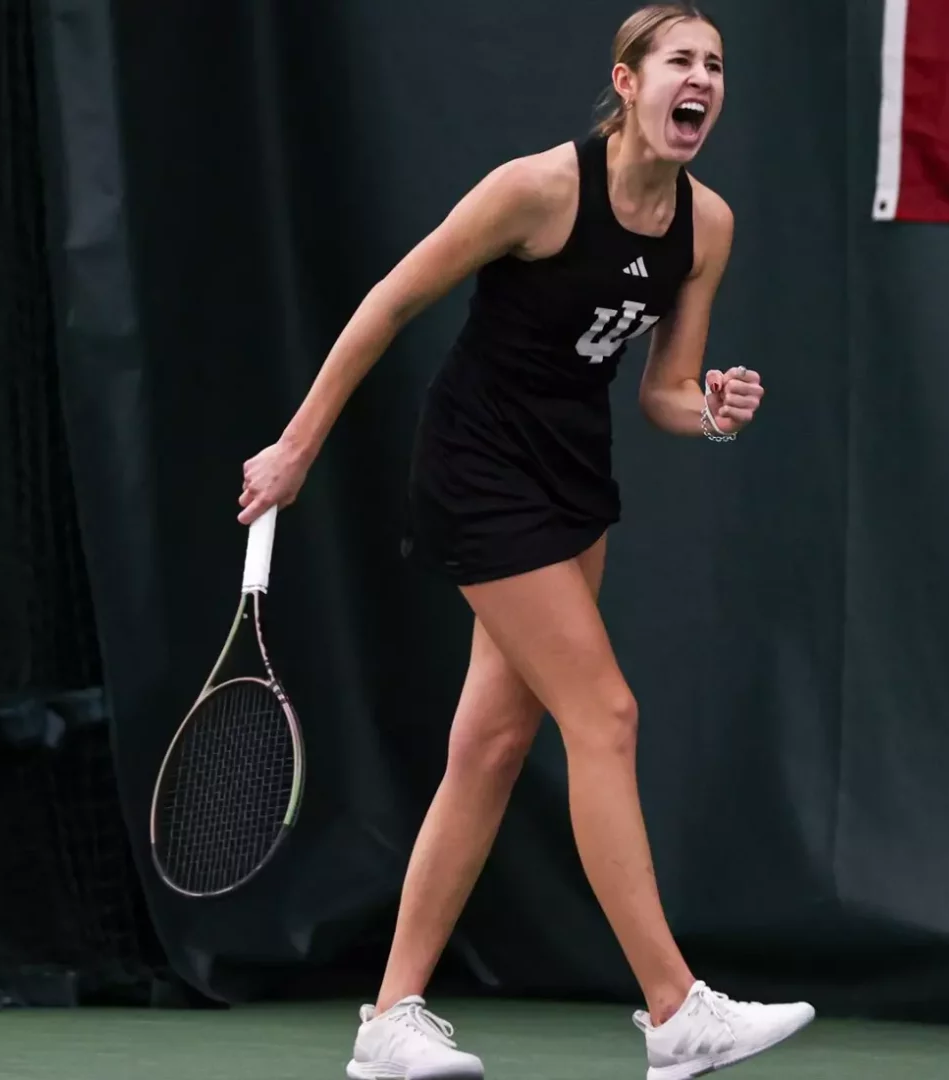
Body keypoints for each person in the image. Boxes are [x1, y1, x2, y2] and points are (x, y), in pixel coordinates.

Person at [237, 5, 814, 1077]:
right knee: (605, 713)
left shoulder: (707, 226)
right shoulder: (537, 189)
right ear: (628, 82)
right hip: (476, 472)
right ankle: (674, 1006)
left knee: (491, 750)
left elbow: (666, 395)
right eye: (681, 61)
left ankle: (387, 1022)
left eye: (717, 66)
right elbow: (390, 303)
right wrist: (296, 449)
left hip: (571, 479)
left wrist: (719, 408)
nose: (703, 80)